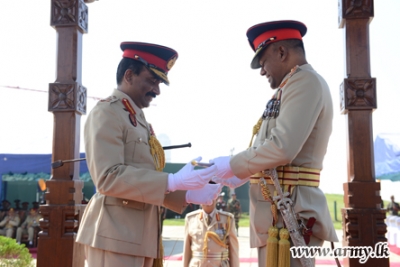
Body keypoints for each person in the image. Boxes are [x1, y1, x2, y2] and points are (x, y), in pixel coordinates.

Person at [75, 41, 222, 267]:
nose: (157, 90)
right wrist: (172, 180)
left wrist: (187, 195)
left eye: (159, 83)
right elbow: (108, 177)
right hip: (115, 237)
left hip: (139, 237)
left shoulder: (138, 119)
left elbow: (143, 182)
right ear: (129, 75)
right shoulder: (107, 112)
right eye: (152, 80)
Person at [211, 20, 338, 266]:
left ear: (281, 52)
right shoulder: (289, 87)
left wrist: (230, 165)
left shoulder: (304, 82)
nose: (262, 71)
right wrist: (241, 174)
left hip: (290, 218)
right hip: (278, 218)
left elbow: (282, 147)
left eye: (263, 62)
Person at [183, 199, 239, 267]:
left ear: (217, 197)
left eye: (211, 196)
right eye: (204, 196)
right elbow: (186, 251)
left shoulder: (227, 219)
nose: (208, 200)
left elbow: (234, 251)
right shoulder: (191, 219)